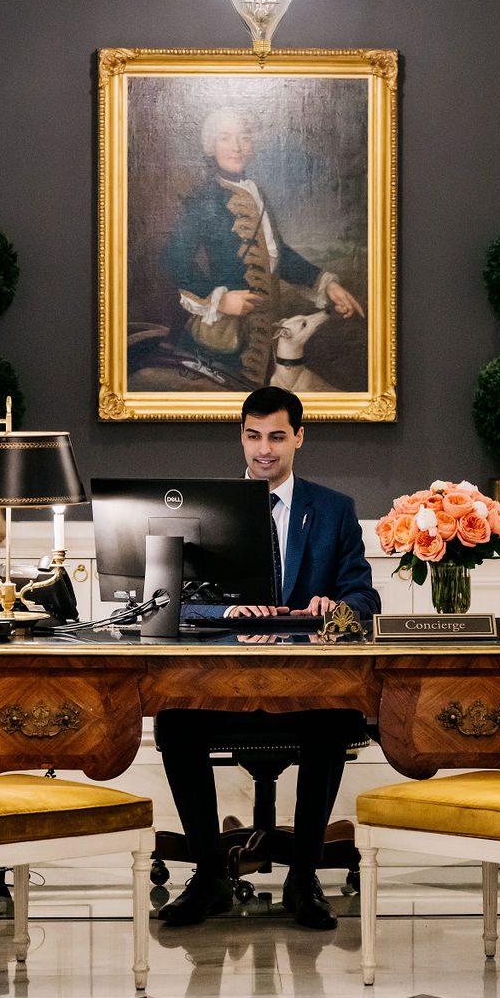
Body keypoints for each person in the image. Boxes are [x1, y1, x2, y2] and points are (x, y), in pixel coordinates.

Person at [156, 385, 381, 932]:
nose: (264, 450)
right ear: (241, 437)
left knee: (336, 721)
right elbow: (175, 602)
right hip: (222, 688)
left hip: (307, 688)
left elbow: (365, 598)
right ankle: (209, 875)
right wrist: (227, 615)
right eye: (253, 436)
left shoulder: (333, 511)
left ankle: (303, 876)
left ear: (298, 438)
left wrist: (335, 609)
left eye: (277, 437)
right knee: (174, 724)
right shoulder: (206, 511)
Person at [162, 108, 363, 387]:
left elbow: (277, 255)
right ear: (211, 145)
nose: (236, 146)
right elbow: (174, 258)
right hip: (221, 341)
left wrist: (325, 283)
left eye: (244, 137)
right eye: (225, 138)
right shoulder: (203, 199)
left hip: (263, 340)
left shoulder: (256, 191)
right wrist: (220, 300)